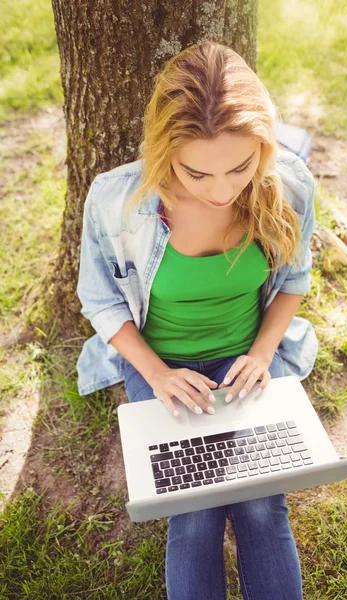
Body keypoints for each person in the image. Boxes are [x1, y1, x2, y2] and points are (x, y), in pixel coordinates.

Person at [76, 40, 319, 600]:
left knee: (261, 502)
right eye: (196, 174)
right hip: (162, 363)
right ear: (165, 151)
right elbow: (101, 301)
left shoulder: (290, 184)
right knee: (195, 511)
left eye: (240, 167)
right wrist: (158, 374)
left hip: (247, 358)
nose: (222, 190)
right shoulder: (116, 201)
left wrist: (261, 354)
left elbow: (293, 284)